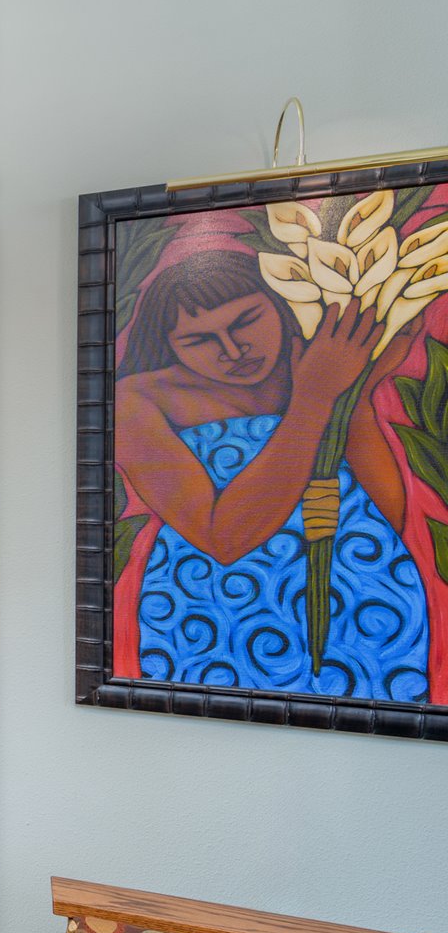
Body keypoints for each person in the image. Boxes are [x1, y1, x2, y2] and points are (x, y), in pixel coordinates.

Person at [115, 249, 426, 699]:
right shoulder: (139, 402)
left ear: (279, 306)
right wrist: (315, 398)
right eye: (199, 340)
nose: (232, 350)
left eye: (246, 321)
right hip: (219, 611)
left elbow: (386, 521)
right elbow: (224, 539)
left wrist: (354, 393)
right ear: (169, 343)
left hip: (367, 602)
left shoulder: (321, 365)